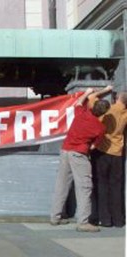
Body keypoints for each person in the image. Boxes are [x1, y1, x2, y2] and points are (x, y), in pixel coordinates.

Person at [50, 88, 110, 232]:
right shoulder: (100, 128)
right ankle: (83, 222)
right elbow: (95, 145)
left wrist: (87, 92)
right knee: (84, 188)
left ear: (93, 107)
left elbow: (78, 102)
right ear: (103, 113)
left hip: (65, 151)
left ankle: (55, 216)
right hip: (79, 154)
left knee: (62, 184)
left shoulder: (82, 113)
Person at [88, 86, 126, 227]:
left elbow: (92, 100)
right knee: (116, 187)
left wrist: (105, 90)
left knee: (101, 185)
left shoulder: (110, 110)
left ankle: (105, 219)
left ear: (117, 98)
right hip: (118, 153)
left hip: (102, 151)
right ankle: (118, 220)